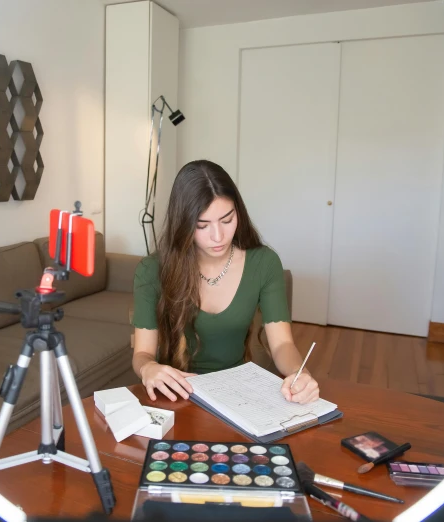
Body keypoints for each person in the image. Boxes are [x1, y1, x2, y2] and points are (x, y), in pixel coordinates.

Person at [131, 159, 320, 405]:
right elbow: (142, 354)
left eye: (227, 220)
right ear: (183, 224)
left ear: (238, 212)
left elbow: (282, 343)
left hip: (237, 393)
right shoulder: (151, 271)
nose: (218, 236)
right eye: (202, 225)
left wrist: (299, 373)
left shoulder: (264, 263)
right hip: (176, 395)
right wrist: (148, 368)